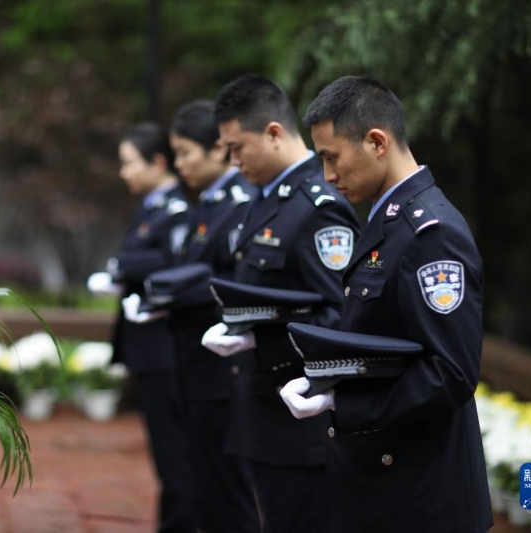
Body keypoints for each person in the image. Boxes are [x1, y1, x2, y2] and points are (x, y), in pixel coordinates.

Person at [280, 75, 493, 532]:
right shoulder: (390, 220)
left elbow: (450, 372)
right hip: (384, 480)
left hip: (419, 497)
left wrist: (343, 401)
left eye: (332, 157)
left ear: (377, 142)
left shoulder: (430, 233)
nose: (328, 176)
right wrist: (326, 377)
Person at [202, 74, 361, 532]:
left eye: (237, 148)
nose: (233, 162)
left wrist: (259, 338)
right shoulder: (265, 198)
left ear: (273, 133)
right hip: (264, 415)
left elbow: (340, 317)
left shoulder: (318, 206)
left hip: (299, 423)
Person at [142, 100, 261, 533]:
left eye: (185, 152)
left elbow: (232, 281)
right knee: (206, 486)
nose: (179, 164)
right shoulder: (211, 203)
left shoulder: (240, 203)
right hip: (196, 364)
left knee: (228, 492)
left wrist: (177, 292)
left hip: (221, 368)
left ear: (218, 149)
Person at [86, 121, 197, 532]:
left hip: (166, 348)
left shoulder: (177, 210)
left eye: (130, 162)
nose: (124, 172)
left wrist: (122, 267)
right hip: (152, 350)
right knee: (166, 453)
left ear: (158, 162)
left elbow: (174, 263)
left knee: (176, 453)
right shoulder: (154, 207)